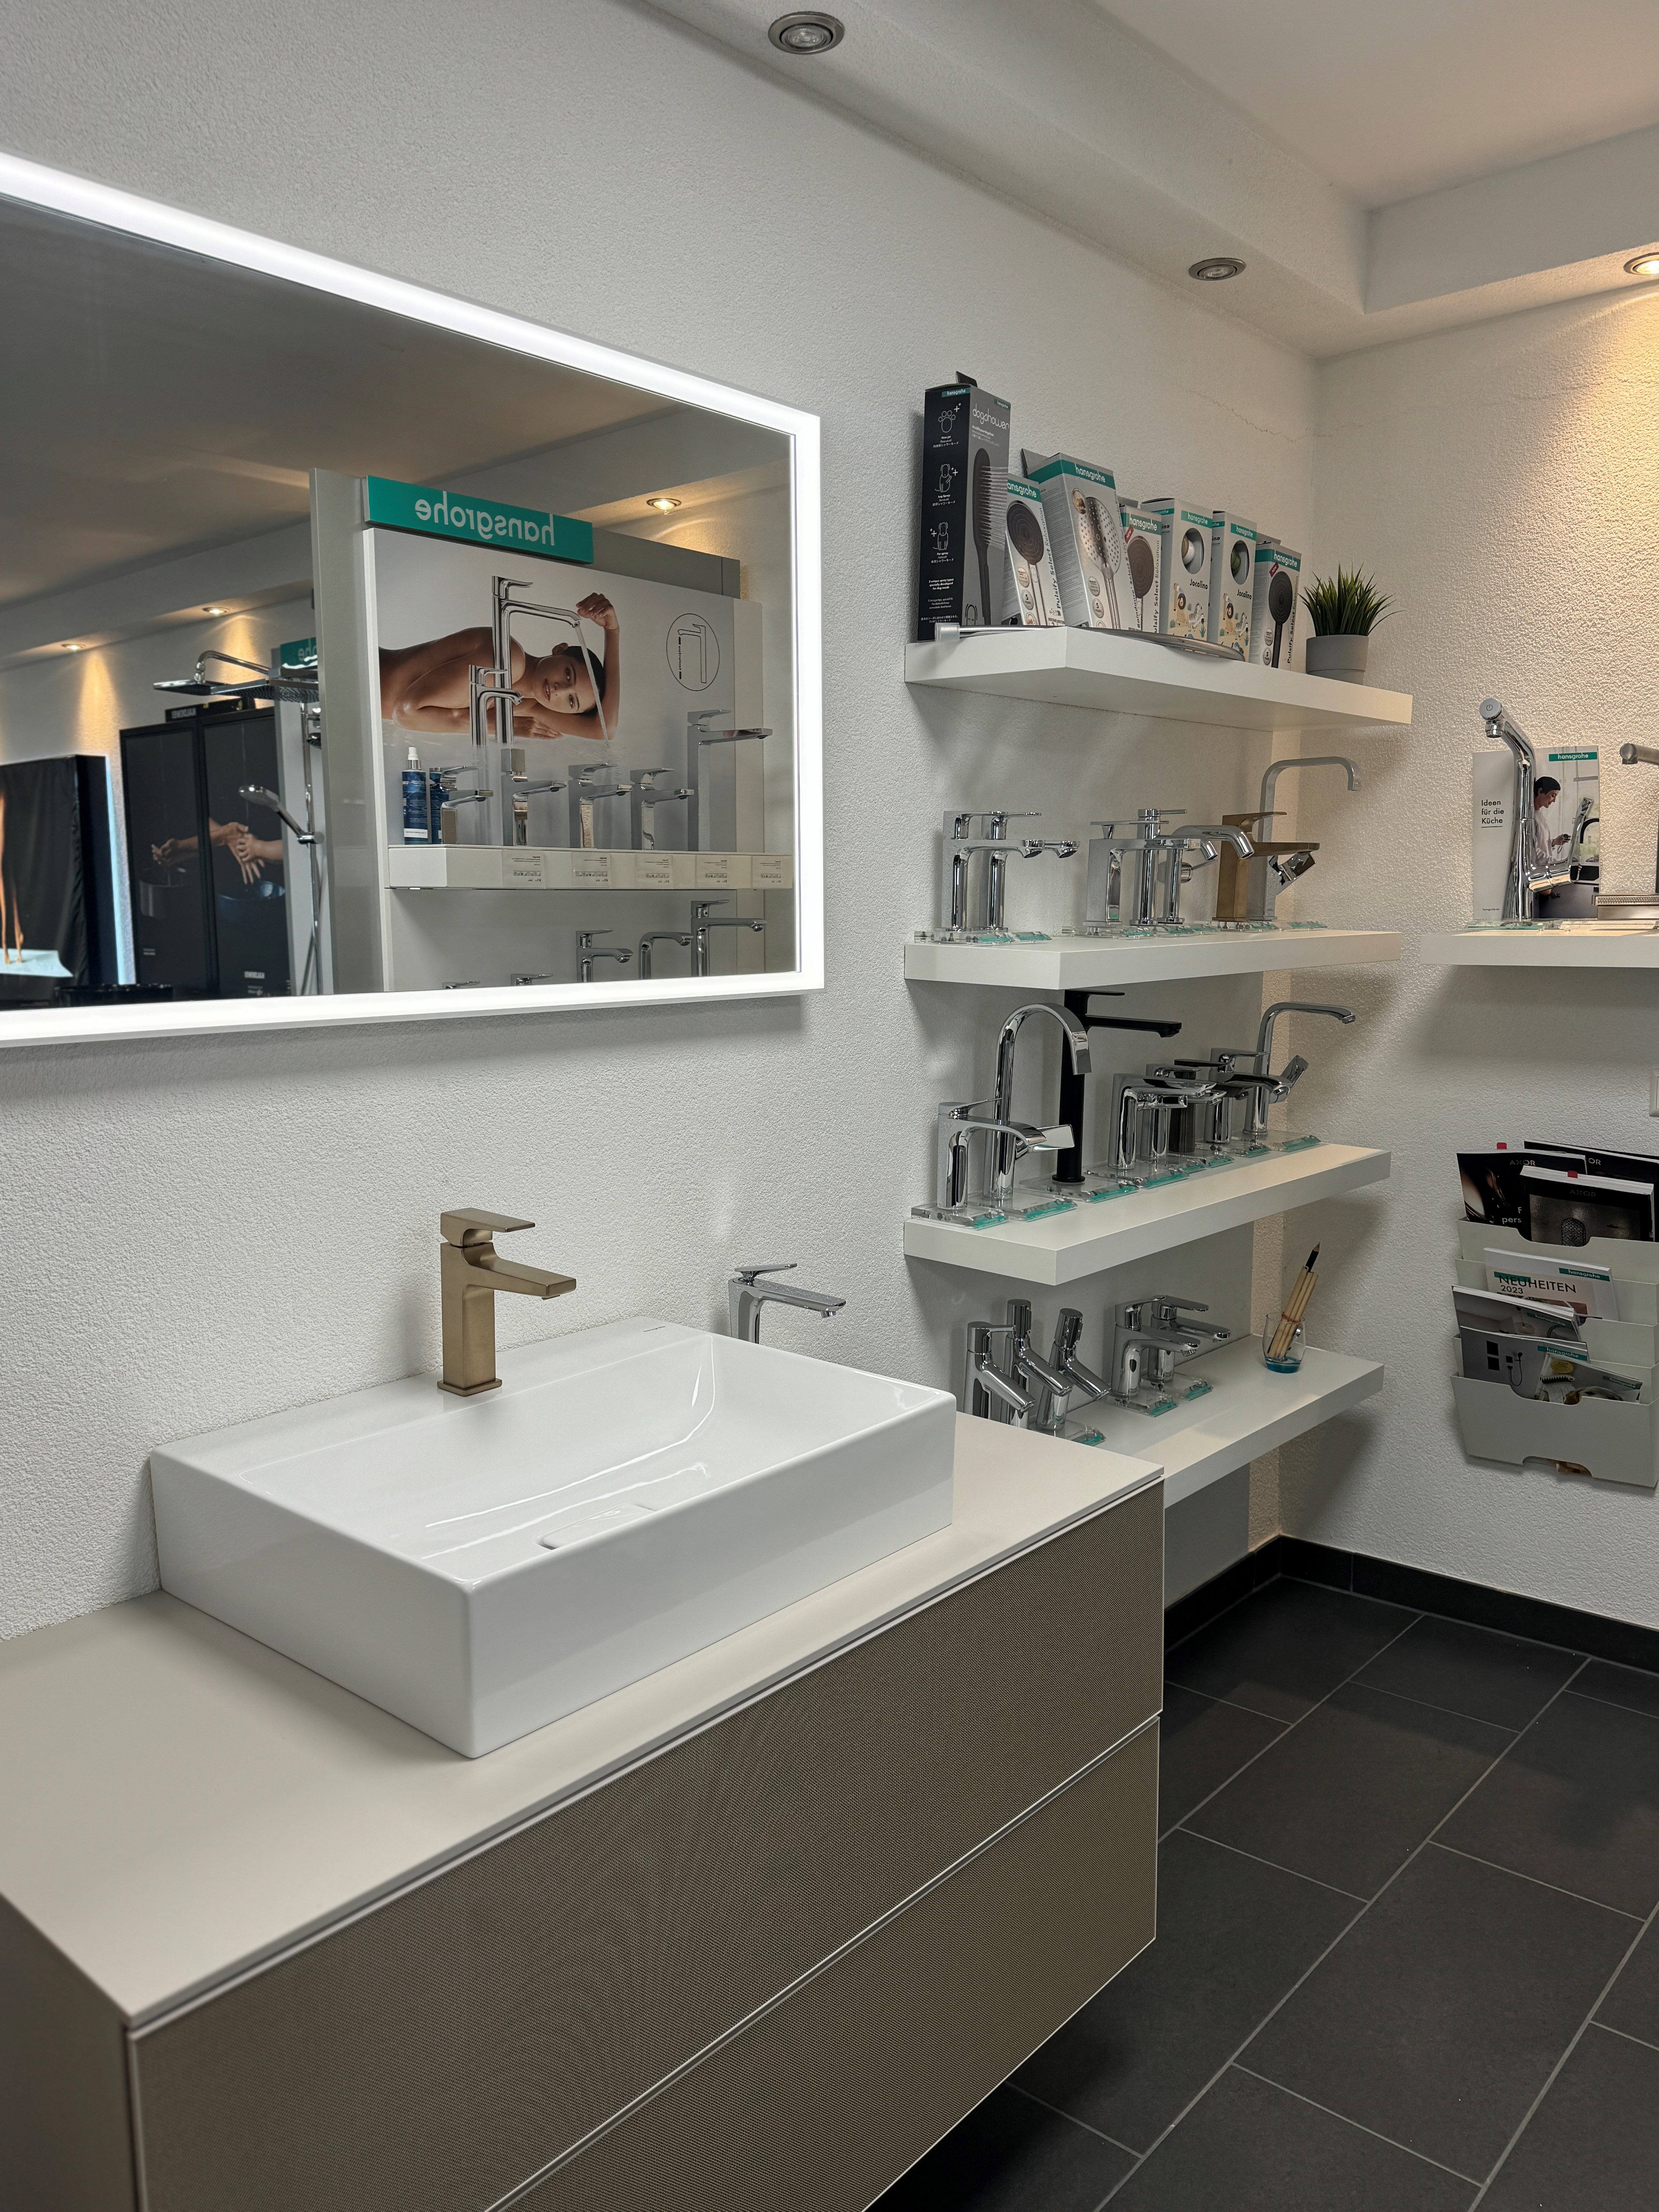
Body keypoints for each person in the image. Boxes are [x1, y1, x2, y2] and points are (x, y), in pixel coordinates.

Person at [378, 592, 619, 742]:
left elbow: (604, 730)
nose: (559, 690)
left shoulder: (526, 704)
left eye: (571, 701)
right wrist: (502, 725)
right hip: (359, 676)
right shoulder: (510, 661)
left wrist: (613, 631)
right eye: (568, 675)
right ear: (559, 649)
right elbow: (406, 713)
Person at [1531, 775, 1567, 863]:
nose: (1554, 801)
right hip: (1539, 867)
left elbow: (1540, 842)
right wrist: (1556, 863)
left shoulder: (1539, 815)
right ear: (1540, 792)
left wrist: (1554, 842)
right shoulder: (1532, 818)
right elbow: (1533, 850)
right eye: (1553, 796)